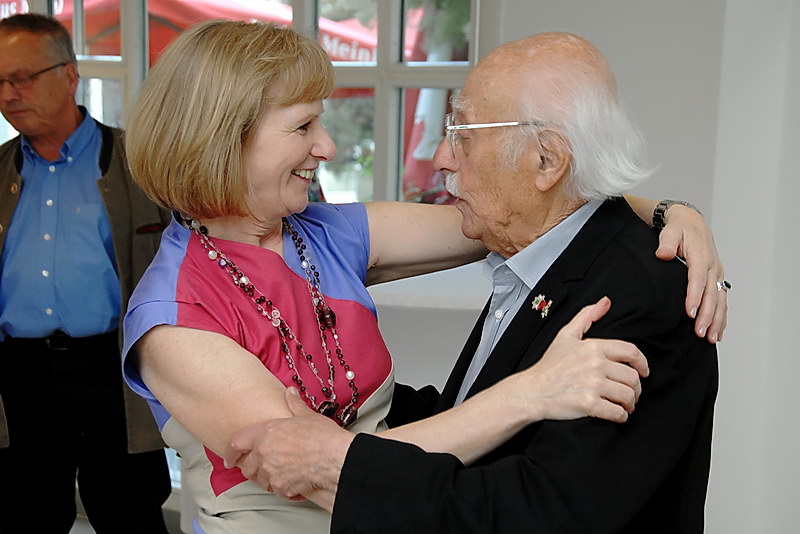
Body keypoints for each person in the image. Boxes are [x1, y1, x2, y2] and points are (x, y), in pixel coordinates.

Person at [122, 22, 723, 533]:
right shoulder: (172, 321)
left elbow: (524, 209)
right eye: (304, 127)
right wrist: (531, 392)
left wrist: (672, 212)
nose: (327, 146)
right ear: (226, 141)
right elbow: (314, 470)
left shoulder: (325, 233)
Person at [0, 13, 172, 534]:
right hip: (19, 374)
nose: (8, 95)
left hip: (114, 369)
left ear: (70, 76)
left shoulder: (139, 165)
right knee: (23, 516)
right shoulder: (1, 170)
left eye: (22, 78)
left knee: (130, 514)